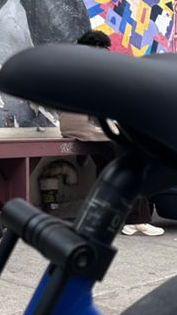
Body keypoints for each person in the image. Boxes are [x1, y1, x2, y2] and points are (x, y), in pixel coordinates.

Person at [59, 29, 164, 237]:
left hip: (72, 127)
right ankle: (136, 221)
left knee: (108, 168)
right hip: (91, 128)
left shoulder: (72, 65)